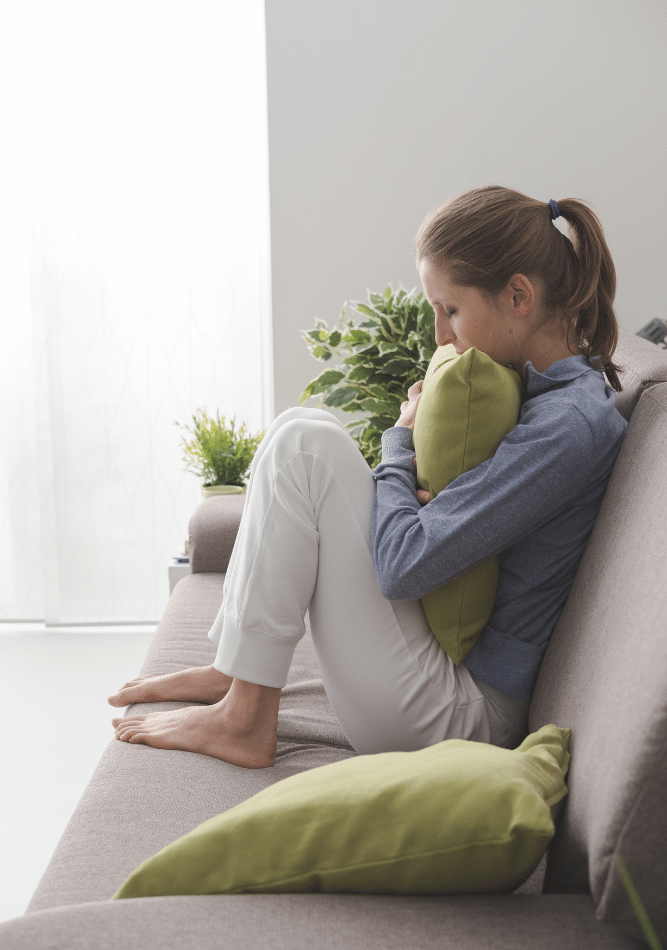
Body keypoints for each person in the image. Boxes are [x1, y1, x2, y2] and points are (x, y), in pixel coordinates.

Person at [109, 186, 628, 768]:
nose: (440, 336)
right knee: (302, 428)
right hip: (445, 680)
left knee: (307, 449)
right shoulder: (540, 393)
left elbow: (404, 564)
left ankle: (246, 718)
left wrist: (401, 442)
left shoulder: (566, 427)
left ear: (517, 296)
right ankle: (239, 673)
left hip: (466, 716)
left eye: (450, 310)